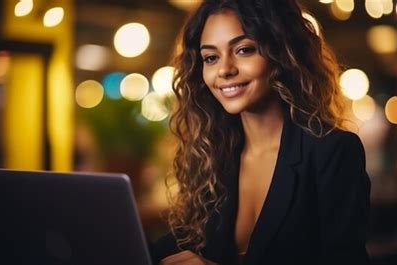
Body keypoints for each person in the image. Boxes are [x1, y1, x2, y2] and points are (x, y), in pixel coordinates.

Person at [149, 0, 371, 264]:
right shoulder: (212, 155)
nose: (224, 70)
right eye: (211, 57)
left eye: (244, 50)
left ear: (282, 54)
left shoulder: (333, 151)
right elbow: (173, 244)